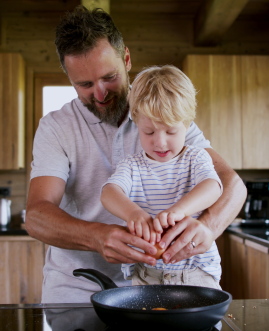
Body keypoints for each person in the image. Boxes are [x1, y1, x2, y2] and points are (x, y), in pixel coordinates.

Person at [25, 5, 246, 303]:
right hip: (76, 290)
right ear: (70, 79)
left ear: (126, 59)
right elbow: (37, 216)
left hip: (160, 285)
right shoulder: (55, 128)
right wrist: (97, 236)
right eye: (85, 85)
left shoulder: (162, 117)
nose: (100, 94)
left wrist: (207, 227)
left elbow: (231, 185)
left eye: (109, 77)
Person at [101, 65, 223, 288]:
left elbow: (212, 186)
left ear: (187, 125)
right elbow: (109, 193)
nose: (160, 142)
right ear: (137, 123)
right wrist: (133, 213)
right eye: (149, 132)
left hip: (195, 274)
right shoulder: (132, 165)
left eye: (170, 131)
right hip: (146, 275)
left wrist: (179, 210)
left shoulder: (195, 158)